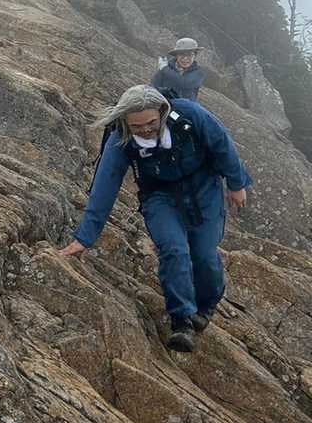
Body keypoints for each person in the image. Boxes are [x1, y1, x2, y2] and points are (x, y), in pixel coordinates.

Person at [57, 85, 251, 352]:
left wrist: (237, 183)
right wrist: (84, 238)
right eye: (137, 126)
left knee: (205, 255)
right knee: (174, 249)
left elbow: (222, 144)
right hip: (158, 196)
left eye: (151, 122)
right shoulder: (120, 139)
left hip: (203, 188)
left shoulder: (190, 115)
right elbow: (105, 186)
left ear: (162, 111)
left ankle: (205, 307)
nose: (146, 130)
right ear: (125, 122)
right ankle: (181, 320)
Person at [152, 38, 205, 102]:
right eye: (182, 54)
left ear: (195, 56)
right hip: (163, 103)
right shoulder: (166, 68)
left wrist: (165, 69)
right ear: (176, 55)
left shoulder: (199, 72)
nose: (185, 58)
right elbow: (154, 86)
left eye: (190, 55)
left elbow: (185, 83)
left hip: (185, 106)